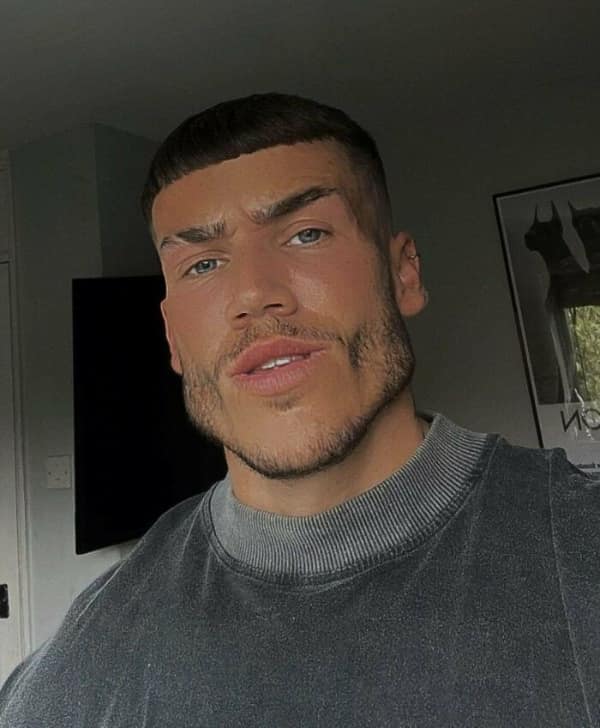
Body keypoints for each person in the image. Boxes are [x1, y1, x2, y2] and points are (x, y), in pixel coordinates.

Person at [1, 93, 599, 727]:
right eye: (203, 263)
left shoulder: (579, 548)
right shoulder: (82, 667)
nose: (254, 294)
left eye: (306, 233)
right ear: (173, 337)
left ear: (403, 274)